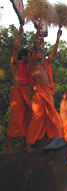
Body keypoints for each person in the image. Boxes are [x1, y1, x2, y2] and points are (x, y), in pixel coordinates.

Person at [26, 23, 63, 152]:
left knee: (52, 114)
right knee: (37, 116)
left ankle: (55, 137)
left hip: (47, 91)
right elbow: (35, 46)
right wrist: (38, 33)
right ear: (34, 55)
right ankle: (29, 143)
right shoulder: (33, 64)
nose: (40, 53)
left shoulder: (45, 64)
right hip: (38, 91)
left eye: (41, 52)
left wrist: (58, 38)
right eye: (38, 52)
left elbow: (54, 52)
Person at [7, 25, 33, 154]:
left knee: (29, 118)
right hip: (17, 92)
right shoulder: (15, 65)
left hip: (26, 94)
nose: (30, 58)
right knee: (15, 119)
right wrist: (19, 34)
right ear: (24, 56)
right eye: (28, 56)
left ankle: (27, 144)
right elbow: (15, 49)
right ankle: (9, 146)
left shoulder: (27, 66)